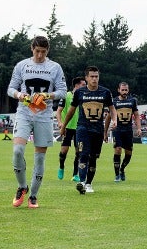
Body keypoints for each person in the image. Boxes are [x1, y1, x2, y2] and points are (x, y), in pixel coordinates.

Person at [7, 35, 67, 208]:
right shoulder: (22, 65)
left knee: (39, 158)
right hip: (24, 113)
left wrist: (48, 95)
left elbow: (63, 90)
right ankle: (21, 187)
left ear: (47, 51)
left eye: (43, 51)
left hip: (44, 115)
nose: (40, 55)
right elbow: (11, 88)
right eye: (37, 51)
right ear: (31, 49)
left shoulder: (55, 67)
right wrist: (20, 95)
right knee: (18, 151)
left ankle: (33, 196)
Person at [60, 66, 117, 194]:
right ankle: (81, 181)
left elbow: (112, 108)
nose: (94, 79)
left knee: (93, 157)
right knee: (83, 154)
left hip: (97, 130)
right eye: (91, 76)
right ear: (86, 78)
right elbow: (71, 110)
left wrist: (115, 120)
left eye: (96, 76)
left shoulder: (105, 92)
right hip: (82, 128)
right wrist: (63, 126)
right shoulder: (79, 93)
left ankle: (89, 183)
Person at [106, 82, 142, 182]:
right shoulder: (114, 102)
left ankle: (122, 169)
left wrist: (139, 128)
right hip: (117, 130)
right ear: (118, 90)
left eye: (126, 90)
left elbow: (137, 115)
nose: (124, 92)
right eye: (123, 90)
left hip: (128, 130)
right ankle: (117, 175)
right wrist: (105, 132)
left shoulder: (132, 101)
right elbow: (108, 117)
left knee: (129, 153)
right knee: (117, 149)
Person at [56, 76, 86, 181]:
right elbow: (59, 111)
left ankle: (75, 174)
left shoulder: (84, 97)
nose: (85, 86)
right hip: (68, 127)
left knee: (79, 152)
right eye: (83, 85)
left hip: (80, 128)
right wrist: (60, 123)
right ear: (76, 85)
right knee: (64, 150)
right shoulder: (66, 96)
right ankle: (61, 167)